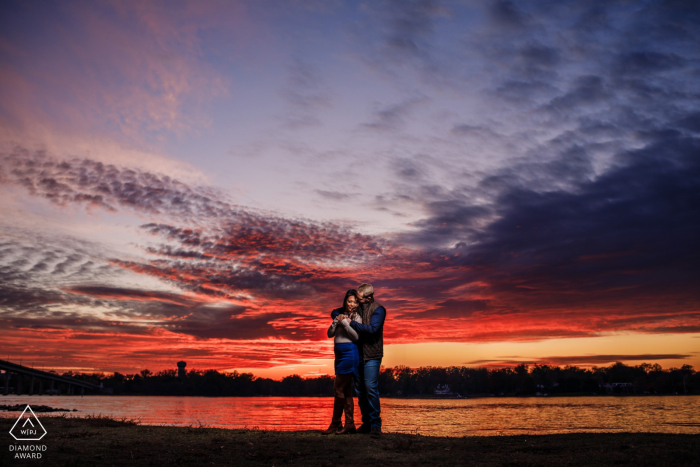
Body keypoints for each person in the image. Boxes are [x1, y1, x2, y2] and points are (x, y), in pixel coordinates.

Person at [333, 283, 386, 438]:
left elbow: (373, 330)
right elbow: (336, 310)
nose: (356, 300)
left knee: (370, 388)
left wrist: (352, 323)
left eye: (359, 298)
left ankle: (376, 425)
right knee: (360, 391)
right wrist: (339, 316)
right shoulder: (359, 306)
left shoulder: (378, 310)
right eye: (355, 298)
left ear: (368, 298)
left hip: (372, 355)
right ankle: (367, 423)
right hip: (358, 354)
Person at [321, 289, 362, 435]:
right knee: (346, 390)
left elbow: (356, 337)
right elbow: (329, 334)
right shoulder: (339, 315)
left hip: (350, 353)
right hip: (338, 354)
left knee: (338, 388)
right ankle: (349, 424)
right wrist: (335, 322)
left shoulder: (357, 317)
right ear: (345, 301)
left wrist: (345, 323)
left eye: (355, 302)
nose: (352, 304)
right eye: (349, 301)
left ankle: (335, 423)